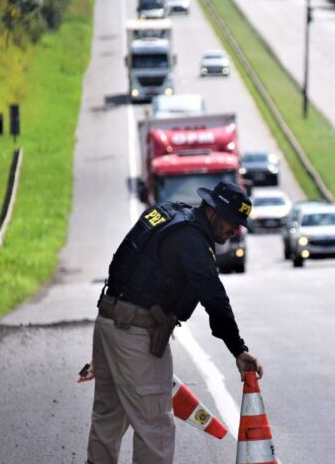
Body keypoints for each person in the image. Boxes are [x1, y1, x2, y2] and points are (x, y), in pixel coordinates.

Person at [86, 181, 262, 464]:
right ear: (213, 211)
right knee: (155, 426)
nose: (236, 230)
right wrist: (238, 349)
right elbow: (213, 297)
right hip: (135, 333)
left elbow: (125, 267)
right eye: (232, 221)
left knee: (108, 420)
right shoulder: (190, 240)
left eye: (240, 224)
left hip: (110, 322)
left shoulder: (167, 214)